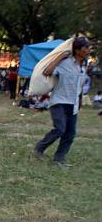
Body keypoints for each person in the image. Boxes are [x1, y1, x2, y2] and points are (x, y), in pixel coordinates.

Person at [33, 36, 91, 167]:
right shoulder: (65, 63)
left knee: (70, 134)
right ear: (77, 50)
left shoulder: (83, 67)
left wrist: (80, 99)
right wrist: (60, 57)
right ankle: (39, 149)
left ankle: (59, 159)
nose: (89, 50)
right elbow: (47, 71)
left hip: (73, 103)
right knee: (60, 129)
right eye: (86, 47)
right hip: (59, 101)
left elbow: (80, 85)